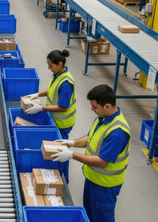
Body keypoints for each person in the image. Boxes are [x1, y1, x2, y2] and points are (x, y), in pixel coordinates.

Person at [51, 84, 131, 222]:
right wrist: (72, 143)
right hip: (92, 178)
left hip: (105, 186)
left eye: (94, 107)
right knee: (89, 215)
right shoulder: (103, 118)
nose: (92, 109)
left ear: (106, 106)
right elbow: (90, 138)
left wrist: (72, 155)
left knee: (101, 218)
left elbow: (102, 161)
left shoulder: (118, 132)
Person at [24, 49, 76, 182]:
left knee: (62, 152)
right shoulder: (58, 74)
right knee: (57, 149)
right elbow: (52, 90)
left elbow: (63, 107)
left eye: (50, 65)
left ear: (60, 64)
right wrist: (37, 94)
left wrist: (41, 108)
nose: (48, 68)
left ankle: (64, 177)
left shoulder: (66, 83)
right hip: (55, 120)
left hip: (63, 123)